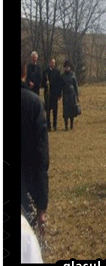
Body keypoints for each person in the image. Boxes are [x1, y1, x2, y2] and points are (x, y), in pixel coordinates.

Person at [21, 61, 49, 242]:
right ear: (24, 72)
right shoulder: (34, 104)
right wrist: (42, 205)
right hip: (27, 191)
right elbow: (41, 157)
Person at [42, 58, 62, 131]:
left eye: (54, 63)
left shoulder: (57, 72)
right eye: (52, 62)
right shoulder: (45, 72)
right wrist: (45, 83)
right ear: (49, 63)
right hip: (47, 94)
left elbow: (59, 84)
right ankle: (48, 126)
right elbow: (42, 83)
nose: (53, 64)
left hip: (54, 94)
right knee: (47, 111)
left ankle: (55, 125)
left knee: (55, 111)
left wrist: (59, 94)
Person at [61, 60, 80, 130]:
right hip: (65, 95)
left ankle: (72, 125)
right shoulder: (62, 76)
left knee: (72, 110)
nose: (67, 68)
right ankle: (66, 126)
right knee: (66, 111)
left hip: (72, 94)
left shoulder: (73, 74)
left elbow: (76, 85)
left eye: (68, 67)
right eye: (66, 67)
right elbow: (61, 86)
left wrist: (77, 95)